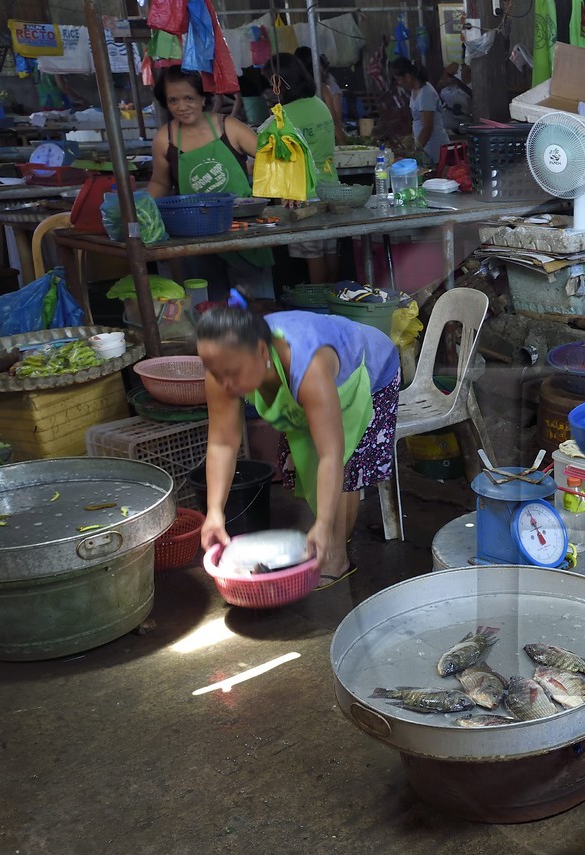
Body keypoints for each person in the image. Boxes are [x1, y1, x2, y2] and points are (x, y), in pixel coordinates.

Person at [197, 295, 401, 587]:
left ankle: (336, 556)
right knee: (306, 463)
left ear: (260, 351)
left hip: (369, 368)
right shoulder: (223, 367)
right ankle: (327, 537)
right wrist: (215, 511)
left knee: (345, 465)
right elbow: (222, 444)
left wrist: (321, 525)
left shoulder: (309, 366)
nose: (225, 384)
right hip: (313, 373)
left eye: (232, 374)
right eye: (217, 374)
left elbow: (331, 454)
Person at [146, 67, 272, 300]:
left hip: (243, 232)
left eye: (188, 98)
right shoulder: (165, 138)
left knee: (256, 308)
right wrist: (139, 209)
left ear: (204, 97)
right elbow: (160, 183)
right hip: (195, 237)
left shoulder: (229, 127)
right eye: (173, 100)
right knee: (207, 309)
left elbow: (272, 159)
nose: (182, 106)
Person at [264, 53, 339, 284]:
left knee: (312, 254)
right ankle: (336, 301)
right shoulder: (319, 104)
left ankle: (320, 306)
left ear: (278, 83)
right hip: (331, 188)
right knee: (329, 249)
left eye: (269, 83)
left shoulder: (283, 116)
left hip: (305, 194)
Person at [388, 57, 448, 164]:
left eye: (398, 79)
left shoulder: (425, 93)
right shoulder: (415, 90)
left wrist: (415, 151)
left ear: (407, 76)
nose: (398, 82)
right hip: (424, 146)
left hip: (432, 146)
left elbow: (428, 128)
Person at [436, 62, 472, 139]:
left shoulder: (479, 73)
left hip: (465, 117)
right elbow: (439, 85)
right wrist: (448, 82)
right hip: (448, 114)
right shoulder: (455, 67)